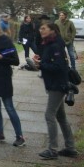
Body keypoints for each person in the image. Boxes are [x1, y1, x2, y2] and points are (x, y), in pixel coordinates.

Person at [33, 21, 78, 159]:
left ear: (52, 30)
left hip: (57, 85)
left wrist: (42, 65)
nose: (41, 30)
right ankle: (70, 148)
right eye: (40, 28)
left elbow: (60, 67)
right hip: (54, 83)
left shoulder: (56, 44)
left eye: (44, 28)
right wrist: (40, 60)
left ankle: (52, 150)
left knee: (49, 115)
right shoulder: (49, 43)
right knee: (61, 117)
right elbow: (51, 61)